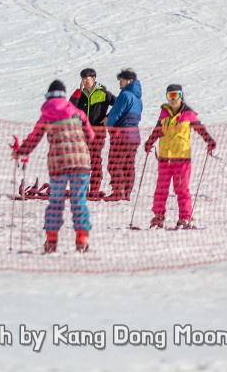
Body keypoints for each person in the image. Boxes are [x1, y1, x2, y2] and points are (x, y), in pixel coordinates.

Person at [12, 80, 95, 253]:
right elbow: (91, 136)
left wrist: (21, 152)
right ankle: (82, 238)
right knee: (79, 202)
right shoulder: (78, 113)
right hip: (81, 164)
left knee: (56, 203)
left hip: (58, 165)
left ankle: (51, 240)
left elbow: (34, 138)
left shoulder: (46, 115)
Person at [142, 84, 216, 229]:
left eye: (176, 95)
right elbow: (157, 130)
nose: (173, 99)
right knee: (161, 189)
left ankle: (185, 218)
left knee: (181, 189)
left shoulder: (189, 114)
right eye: (170, 96)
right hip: (164, 158)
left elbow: (201, 130)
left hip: (182, 159)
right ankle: (158, 217)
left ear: (181, 96)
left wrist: (209, 141)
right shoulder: (164, 113)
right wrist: (149, 142)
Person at [70, 68, 116, 200]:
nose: (84, 81)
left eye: (87, 78)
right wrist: (78, 92)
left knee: (95, 159)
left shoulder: (103, 93)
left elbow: (119, 105)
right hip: (82, 131)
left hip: (98, 131)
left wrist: (108, 116)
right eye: (83, 78)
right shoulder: (80, 94)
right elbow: (69, 106)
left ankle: (94, 188)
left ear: (94, 78)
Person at [103, 69, 143, 201]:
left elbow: (116, 113)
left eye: (122, 79)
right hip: (134, 136)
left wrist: (107, 123)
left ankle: (118, 192)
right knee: (128, 165)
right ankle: (126, 193)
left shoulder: (125, 95)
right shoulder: (138, 98)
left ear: (129, 81)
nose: (120, 82)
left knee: (115, 164)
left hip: (122, 135)